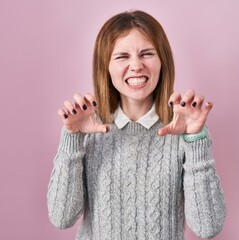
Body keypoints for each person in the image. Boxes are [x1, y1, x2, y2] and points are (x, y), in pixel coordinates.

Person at [47, 10, 226, 240]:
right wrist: (72, 137)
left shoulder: (183, 128)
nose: (136, 65)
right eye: (122, 56)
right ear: (106, 67)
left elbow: (208, 226)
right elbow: (62, 217)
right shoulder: (88, 129)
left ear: (162, 62)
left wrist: (195, 138)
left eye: (147, 54)